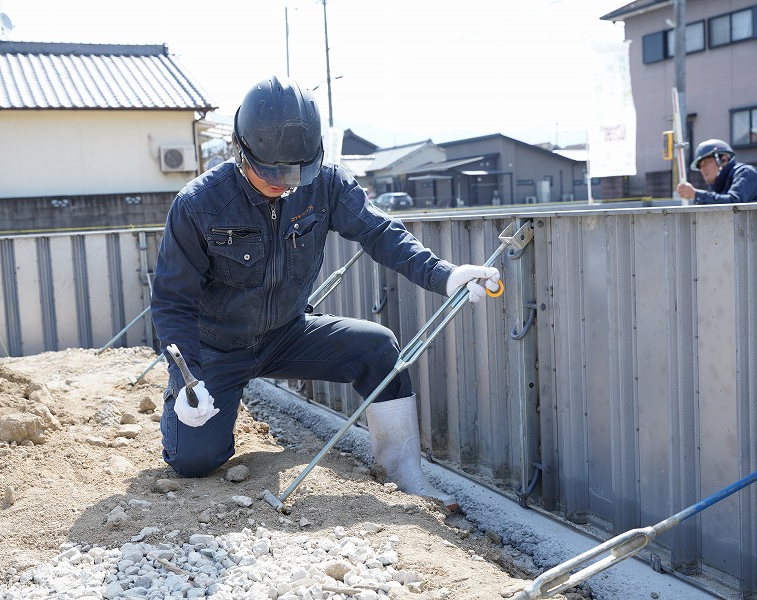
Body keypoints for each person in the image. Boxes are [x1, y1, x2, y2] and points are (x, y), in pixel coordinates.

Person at [150, 76, 499, 511]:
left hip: (287, 334)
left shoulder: (326, 185)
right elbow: (171, 302)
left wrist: (443, 274)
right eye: (272, 172)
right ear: (240, 150)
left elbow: (380, 232)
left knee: (378, 348)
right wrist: (189, 378)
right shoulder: (198, 206)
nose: (286, 183)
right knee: (194, 461)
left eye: (297, 171)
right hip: (217, 348)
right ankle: (186, 420)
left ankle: (406, 474)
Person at [677, 139, 757, 204]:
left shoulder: (746, 173)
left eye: (706, 162)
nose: (702, 169)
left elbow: (735, 204)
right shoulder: (719, 186)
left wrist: (696, 194)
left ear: (723, 159)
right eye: (700, 166)